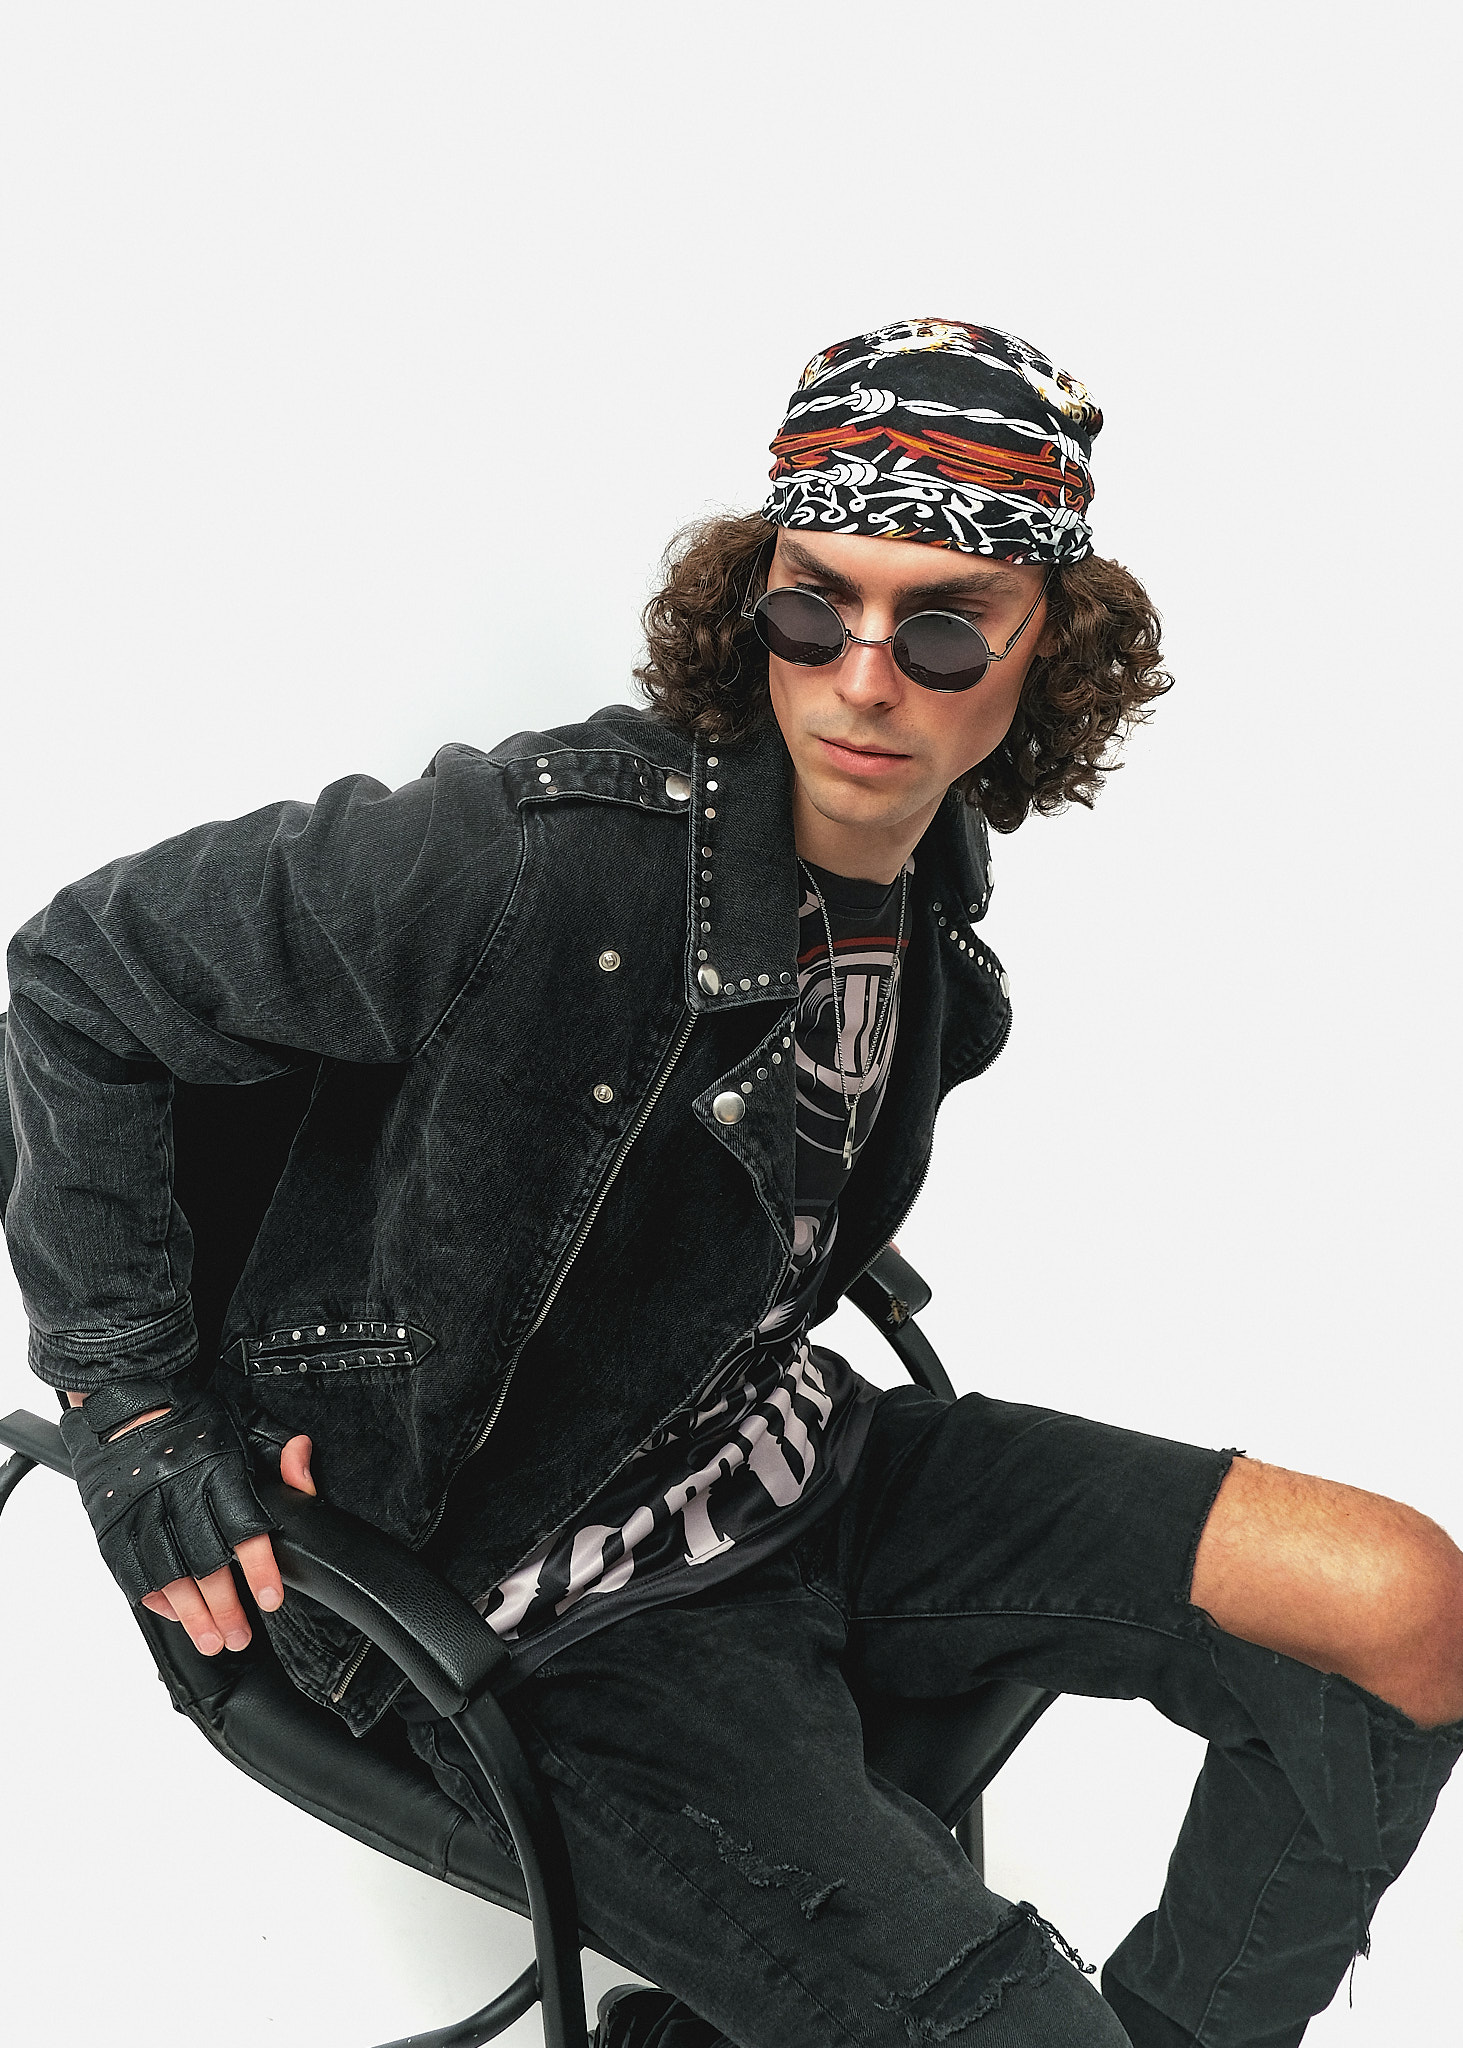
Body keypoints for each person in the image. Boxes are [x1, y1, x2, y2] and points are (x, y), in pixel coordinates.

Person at [4, 317, 1460, 2048]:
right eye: (812, 610)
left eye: (942, 630)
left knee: (1401, 1608)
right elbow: (78, 979)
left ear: (1048, 650)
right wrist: (134, 1411)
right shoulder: (543, 852)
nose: (863, 681)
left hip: (790, 1467)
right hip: (532, 1603)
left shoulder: (925, 883)